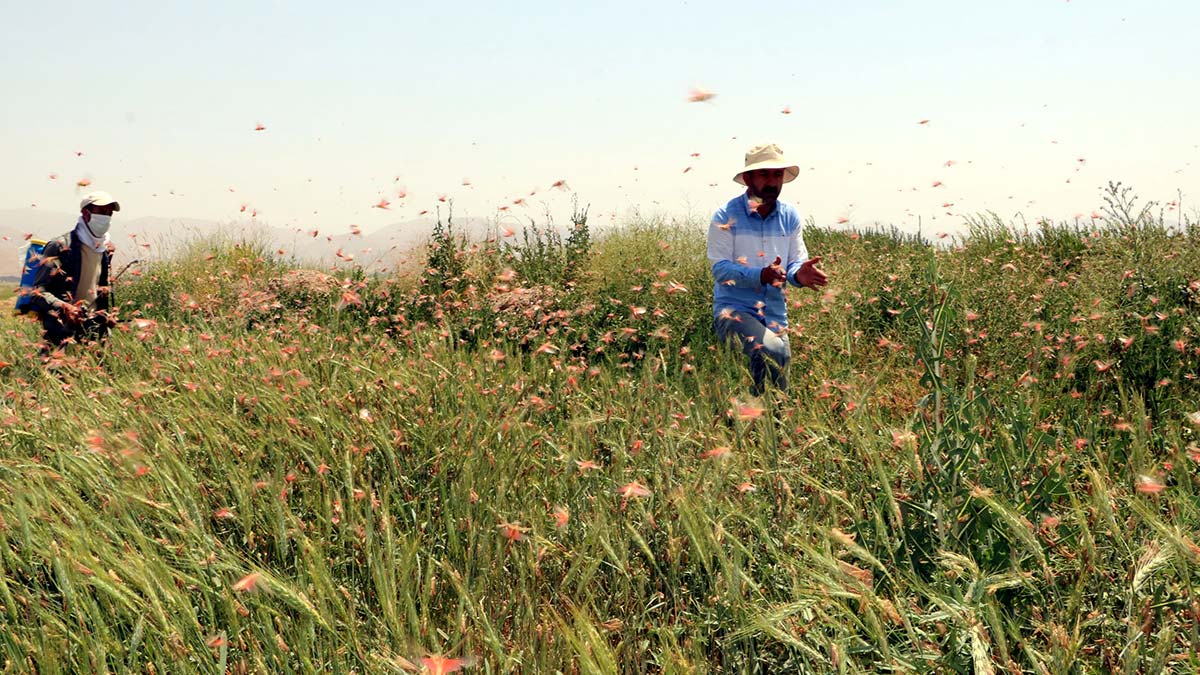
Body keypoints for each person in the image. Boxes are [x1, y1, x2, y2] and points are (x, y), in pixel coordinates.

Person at [707, 144, 828, 396]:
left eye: (777, 174)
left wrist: (798, 274)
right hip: (734, 312)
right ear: (747, 178)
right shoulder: (725, 216)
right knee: (774, 351)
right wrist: (761, 275)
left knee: (779, 389)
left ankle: (762, 418)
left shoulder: (789, 216)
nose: (772, 182)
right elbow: (721, 270)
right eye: (764, 174)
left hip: (775, 315)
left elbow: (795, 262)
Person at [29, 190, 120, 349]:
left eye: (109, 213)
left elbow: (98, 290)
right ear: (85, 213)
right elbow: (37, 292)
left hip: (93, 330)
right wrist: (65, 308)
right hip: (62, 331)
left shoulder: (103, 250)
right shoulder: (60, 246)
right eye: (102, 211)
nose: (106, 217)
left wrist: (105, 315)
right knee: (56, 365)